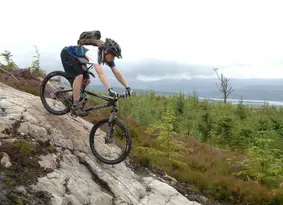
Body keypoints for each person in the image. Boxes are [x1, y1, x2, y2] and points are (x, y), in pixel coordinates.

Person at [60, 38, 132, 116]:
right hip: (67, 54)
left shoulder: (106, 56)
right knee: (79, 76)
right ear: (106, 51)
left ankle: (71, 98)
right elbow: (100, 73)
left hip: (77, 60)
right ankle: (75, 105)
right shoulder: (94, 54)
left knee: (87, 81)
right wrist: (109, 89)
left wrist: (127, 87)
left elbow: (117, 73)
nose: (114, 58)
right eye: (113, 55)